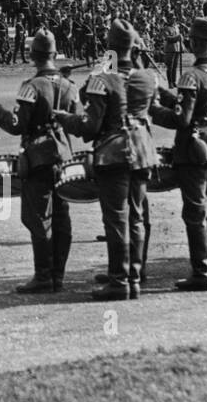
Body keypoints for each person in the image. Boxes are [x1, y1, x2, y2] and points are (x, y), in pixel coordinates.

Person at [57, 20, 157, 300]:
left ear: (110, 47)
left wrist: (67, 119)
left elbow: (90, 125)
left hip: (114, 152)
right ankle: (132, 276)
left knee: (116, 219)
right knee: (137, 216)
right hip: (143, 150)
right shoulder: (147, 77)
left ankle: (119, 281)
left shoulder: (103, 78)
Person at [0, 28, 79, 294]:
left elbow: (17, 125)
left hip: (38, 157)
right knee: (62, 217)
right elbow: (75, 121)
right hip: (63, 156)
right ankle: (57, 277)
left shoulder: (31, 86)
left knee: (38, 218)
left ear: (33, 55)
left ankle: (43, 276)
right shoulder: (69, 85)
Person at [151, 17, 207, 292]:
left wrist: (152, 108)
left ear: (196, 42)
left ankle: (201, 271)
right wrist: (169, 97)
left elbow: (182, 118)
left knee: (195, 211)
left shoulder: (192, 75)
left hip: (194, 149)